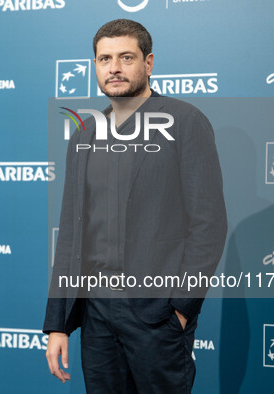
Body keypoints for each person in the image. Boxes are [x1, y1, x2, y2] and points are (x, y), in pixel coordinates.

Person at [43, 19, 227, 393]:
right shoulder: (85, 133)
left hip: (155, 313)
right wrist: (58, 322)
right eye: (104, 58)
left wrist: (179, 309)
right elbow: (71, 233)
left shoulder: (184, 122)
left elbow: (209, 225)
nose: (114, 68)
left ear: (149, 63)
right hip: (95, 313)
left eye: (126, 57)